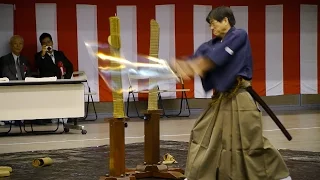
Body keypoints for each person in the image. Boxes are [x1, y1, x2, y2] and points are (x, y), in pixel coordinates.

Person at [172, 6, 291, 180]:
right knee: (203, 134)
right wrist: (180, 66)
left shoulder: (239, 35)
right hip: (221, 99)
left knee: (250, 140)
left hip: (240, 97)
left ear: (225, 20)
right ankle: (198, 175)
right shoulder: (209, 46)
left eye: (213, 23)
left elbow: (217, 57)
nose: (211, 28)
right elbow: (196, 59)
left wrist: (197, 65)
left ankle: (279, 176)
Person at [34, 32, 73, 124]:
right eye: (45, 43)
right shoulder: (38, 56)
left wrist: (66, 78)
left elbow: (70, 66)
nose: (48, 44)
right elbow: (38, 66)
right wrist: (43, 55)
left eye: (49, 42)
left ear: (52, 42)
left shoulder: (59, 54)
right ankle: (51, 117)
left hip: (61, 82)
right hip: (47, 84)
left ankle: (66, 116)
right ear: (42, 45)